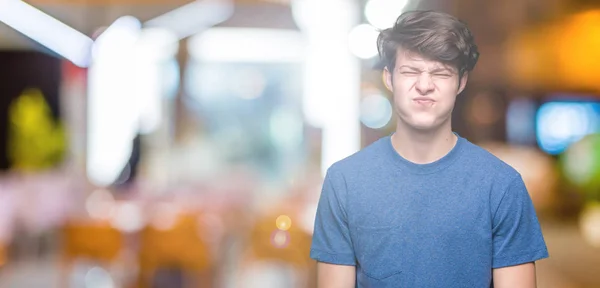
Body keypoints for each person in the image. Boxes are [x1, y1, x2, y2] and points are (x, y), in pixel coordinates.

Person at [310, 10, 548, 288]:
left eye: (440, 73)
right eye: (410, 71)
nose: (424, 85)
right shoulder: (345, 181)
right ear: (389, 78)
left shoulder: (501, 185)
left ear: (461, 82)